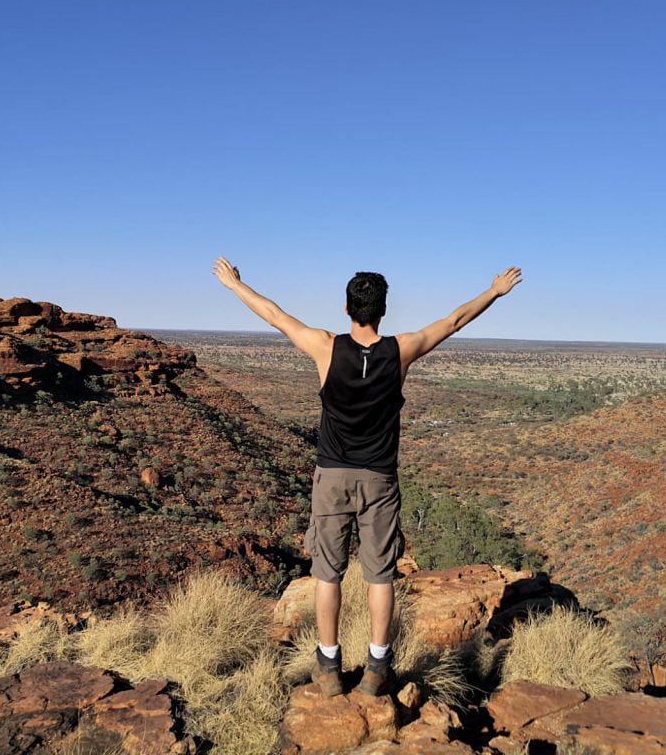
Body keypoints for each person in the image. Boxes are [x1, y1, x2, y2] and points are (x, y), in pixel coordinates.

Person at [212, 257, 523, 696]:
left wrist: (234, 285)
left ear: (346, 308)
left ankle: (328, 667)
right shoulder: (401, 349)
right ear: (382, 310)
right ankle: (377, 670)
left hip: (333, 476)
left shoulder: (324, 346)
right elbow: (453, 321)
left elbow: (274, 315)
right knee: (380, 575)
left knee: (328, 574)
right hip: (378, 479)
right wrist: (494, 291)